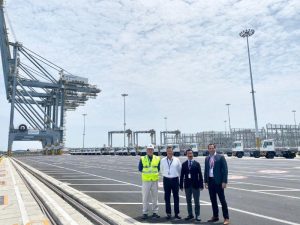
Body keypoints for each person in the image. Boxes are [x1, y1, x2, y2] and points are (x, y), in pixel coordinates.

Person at [204, 144, 230, 225]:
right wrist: (206, 181)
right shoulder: (207, 158)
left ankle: (226, 218)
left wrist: (224, 181)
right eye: (210, 148)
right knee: (213, 200)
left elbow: (225, 170)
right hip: (210, 181)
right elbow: (206, 170)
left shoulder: (220, 157)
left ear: (215, 148)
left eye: (212, 148)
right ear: (208, 149)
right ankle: (215, 216)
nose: (211, 149)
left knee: (222, 200)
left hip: (219, 182)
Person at [180, 148, 203, 222]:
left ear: (193, 154)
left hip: (195, 185)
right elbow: (182, 175)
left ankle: (197, 215)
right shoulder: (184, 164)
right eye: (188, 154)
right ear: (186, 155)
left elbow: (200, 175)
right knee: (188, 201)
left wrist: (201, 184)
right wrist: (181, 185)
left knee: (197, 201)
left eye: (191, 153)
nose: (190, 155)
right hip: (187, 186)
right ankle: (190, 214)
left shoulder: (197, 164)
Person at [138, 144, 161, 220]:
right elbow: (140, 168)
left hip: (154, 180)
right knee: (145, 197)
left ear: (153, 150)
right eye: (148, 149)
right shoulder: (142, 158)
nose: (150, 151)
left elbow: (159, 168)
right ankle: (145, 213)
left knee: (155, 197)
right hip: (146, 181)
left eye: (151, 149)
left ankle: (155, 212)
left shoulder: (157, 158)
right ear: (146, 150)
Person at [161, 146, 182, 220]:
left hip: (175, 180)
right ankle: (168, 213)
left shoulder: (177, 160)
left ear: (173, 152)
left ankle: (176, 213)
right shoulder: (163, 160)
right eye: (168, 151)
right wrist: (167, 175)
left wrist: (175, 175)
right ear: (166, 152)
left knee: (176, 197)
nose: (169, 152)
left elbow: (180, 170)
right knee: (167, 197)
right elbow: (161, 170)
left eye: (170, 151)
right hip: (166, 180)